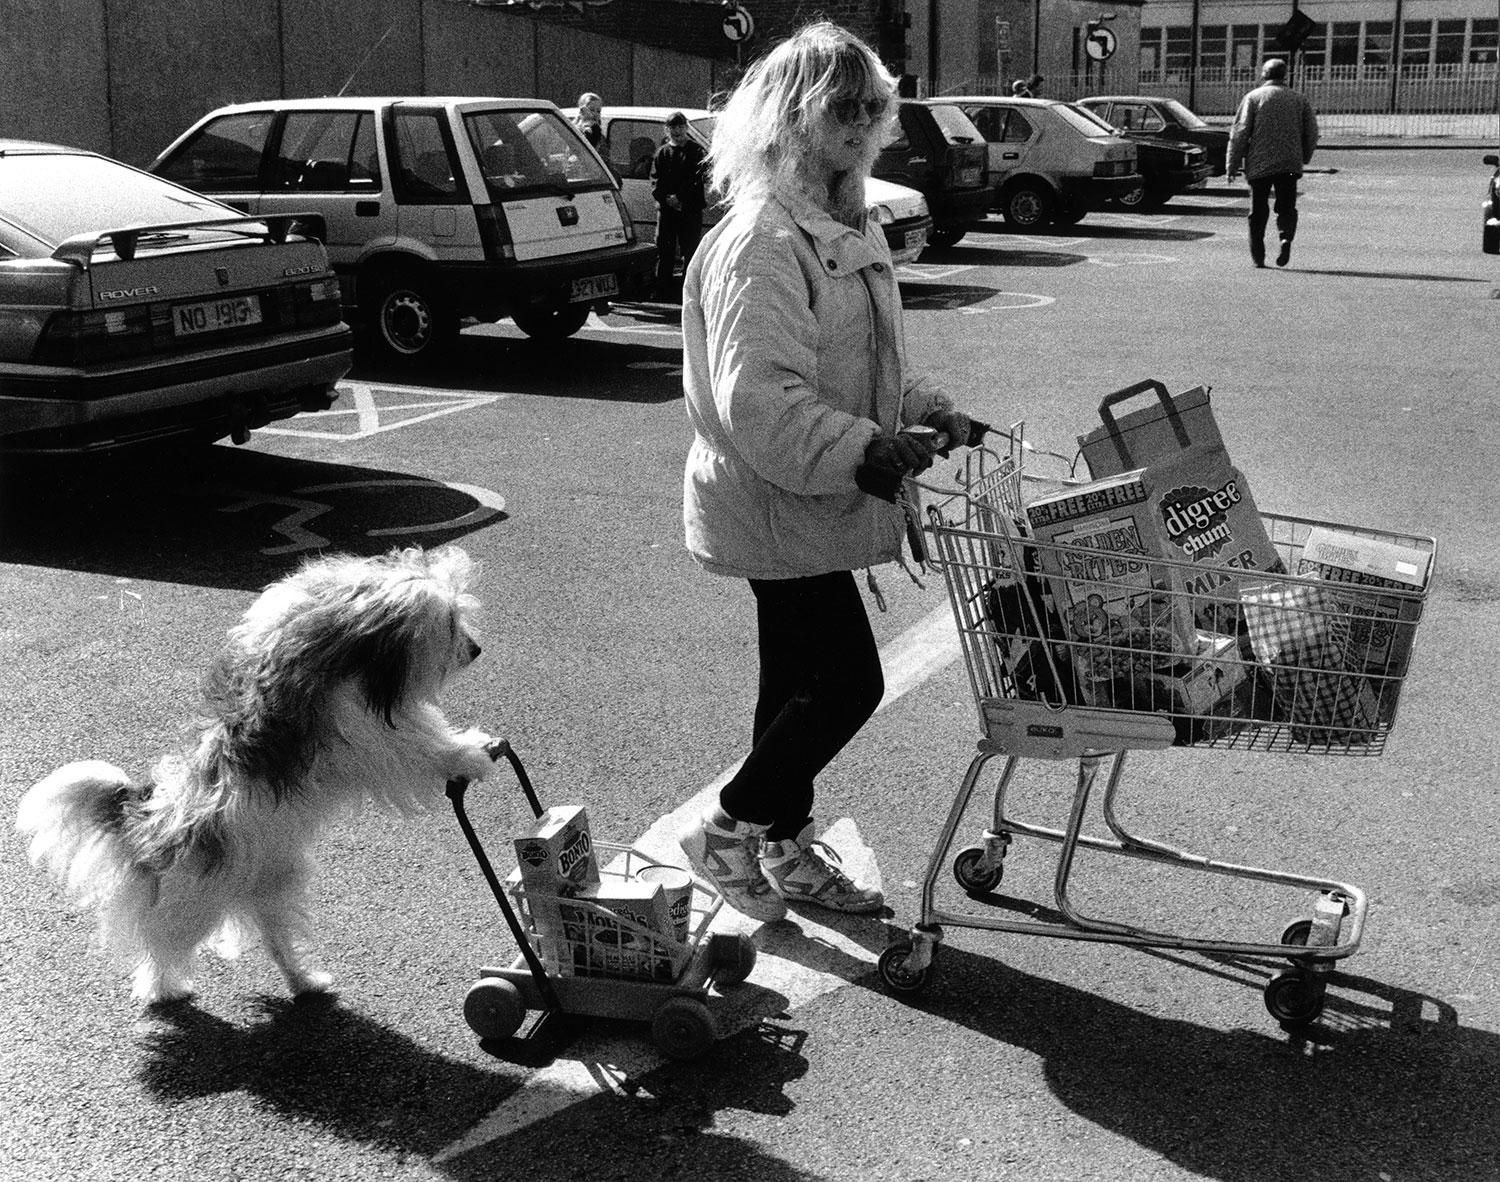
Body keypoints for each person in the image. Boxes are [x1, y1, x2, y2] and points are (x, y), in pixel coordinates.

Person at [675, 22, 978, 921]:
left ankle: (780, 844)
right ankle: (727, 829)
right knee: (849, 684)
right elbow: (759, 402)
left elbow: (867, 361)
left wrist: (925, 407)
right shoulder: (765, 241)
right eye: (840, 110)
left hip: (806, 502)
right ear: (792, 119)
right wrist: (866, 450)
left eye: (872, 109)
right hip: (778, 500)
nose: (860, 126)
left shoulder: (836, 224)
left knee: (795, 688)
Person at [1226, 59, 1320, 268]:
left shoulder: (1253, 98)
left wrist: (1231, 164)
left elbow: (1240, 133)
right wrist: (1304, 156)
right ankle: (1285, 238)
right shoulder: (1299, 99)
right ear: (1284, 75)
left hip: (1259, 165)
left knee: (1258, 210)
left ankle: (1258, 256)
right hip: (1289, 164)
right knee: (1286, 206)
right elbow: (1312, 132)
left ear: (1264, 75)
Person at [650, 111, 708, 301]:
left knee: (690, 251)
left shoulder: (696, 151)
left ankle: (688, 292)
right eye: (672, 127)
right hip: (667, 210)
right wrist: (666, 198)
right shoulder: (662, 153)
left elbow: (697, 179)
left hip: (689, 209)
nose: (677, 131)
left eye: (680, 127)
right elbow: (655, 180)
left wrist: (680, 198)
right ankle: (662, 291)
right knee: (664, 250)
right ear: (667, 130)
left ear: (686, 128)